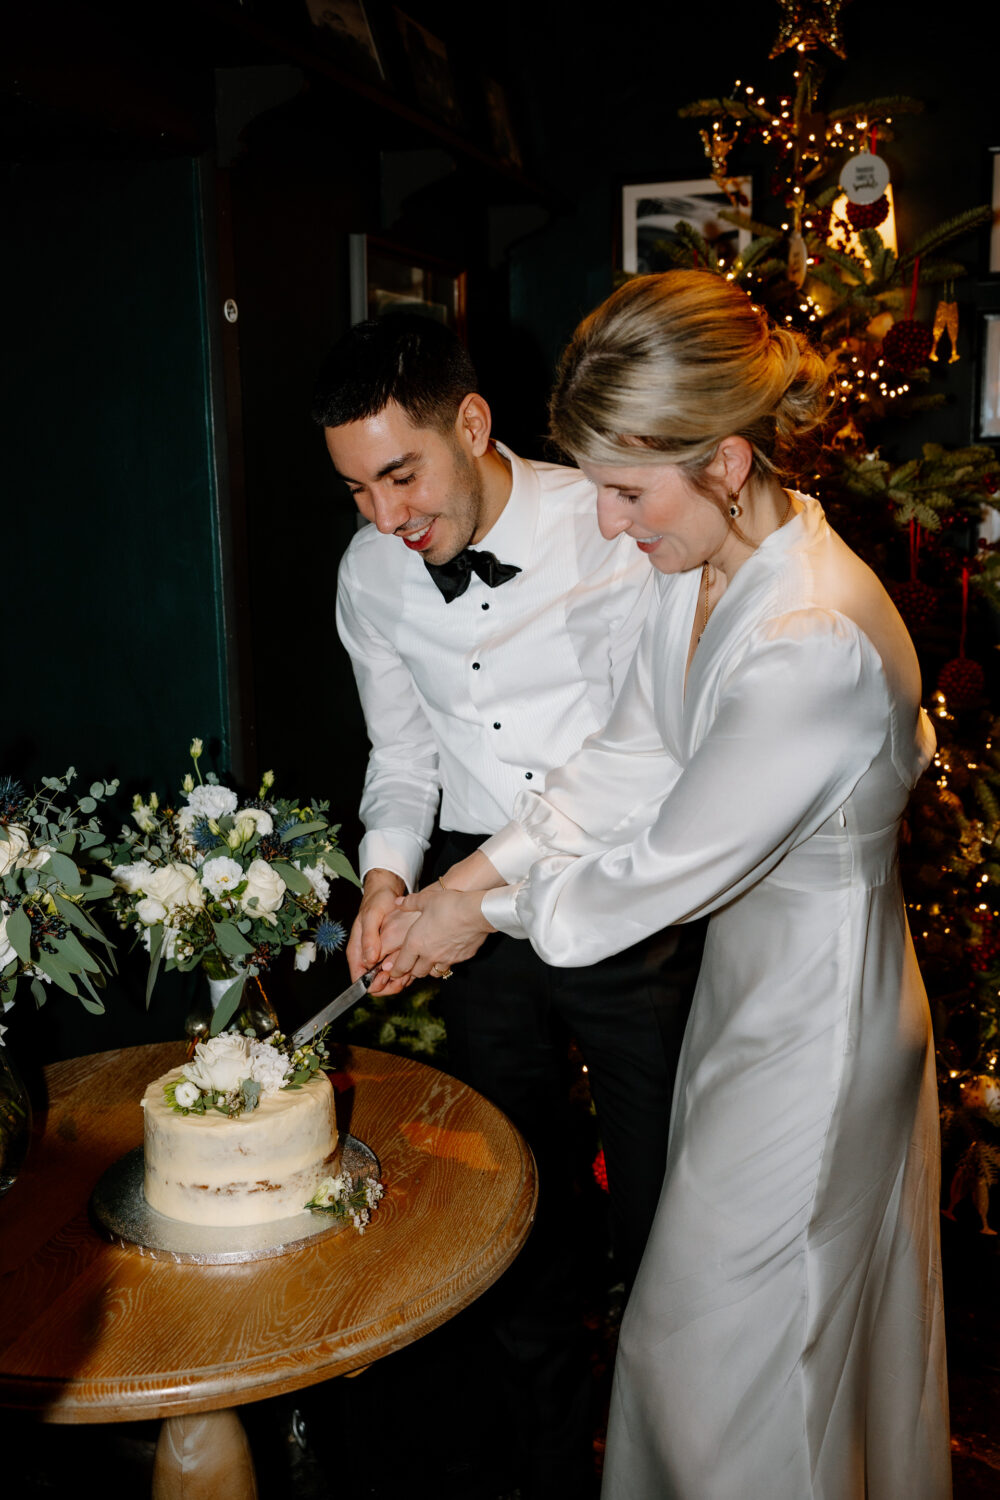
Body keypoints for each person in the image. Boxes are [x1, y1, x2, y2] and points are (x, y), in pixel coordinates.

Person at [380, 272, 951, 1499]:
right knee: (713, 1342)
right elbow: (625, 760)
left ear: (728, 461)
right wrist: (468, 878)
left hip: (818, 1029)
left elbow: (645, 879)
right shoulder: (700, 573)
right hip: (747, 1007)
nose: (607, 523)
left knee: (736, 1360)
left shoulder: (807, 641)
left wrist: (476, 916)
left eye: (626, 492)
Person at [313, 313, 703, 1497]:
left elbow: (640, 755)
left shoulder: (608, 527)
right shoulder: (369, 575)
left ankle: (667, 1437)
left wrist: (469, 894)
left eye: (401, 474)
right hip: (464, 896)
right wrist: (387, 879)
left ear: (470, 424)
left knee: (659, 1186)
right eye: (354, 489)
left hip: (621, 883)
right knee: (508, 1182)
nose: (387, 518)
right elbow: (403, 756)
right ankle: (545, 1450)